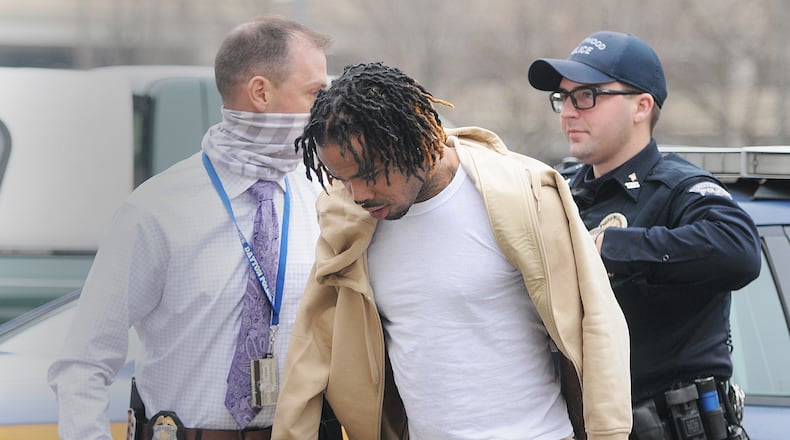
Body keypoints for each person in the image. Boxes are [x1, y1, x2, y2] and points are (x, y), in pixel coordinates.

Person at [271, 61, 632, 440]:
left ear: (415, 141)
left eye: (370, 173)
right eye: (344, 180)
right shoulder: (347, 225)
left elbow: (596, 323)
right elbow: (311, 349)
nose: (359, 194)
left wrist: (607, 433)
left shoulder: (526, 193)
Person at [48, 16, 337, 440]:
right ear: (261, 92)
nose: (326, 112)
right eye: (316, 94)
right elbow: (82, 364)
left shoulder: (327, 197)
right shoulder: (155, 211)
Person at [528, 31, 761, 439]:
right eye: (562, 98)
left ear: (641, 106)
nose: (568, 112)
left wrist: (609, 247)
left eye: (586, 96)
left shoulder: (679, 189)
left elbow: (739, 249)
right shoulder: (558, 194)